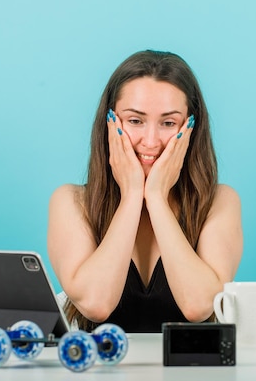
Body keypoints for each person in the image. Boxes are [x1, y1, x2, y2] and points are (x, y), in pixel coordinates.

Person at [47, 50, 243, 332]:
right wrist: (130, 196)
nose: (150, 142)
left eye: (168, 123)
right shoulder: (71, 202)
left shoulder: (219, 202)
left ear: (190, 129)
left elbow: (199, 306)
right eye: (135, 121)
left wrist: (156, 198)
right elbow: (96, 304)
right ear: (111, 123)